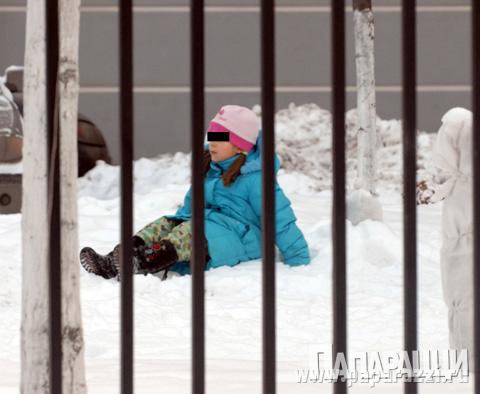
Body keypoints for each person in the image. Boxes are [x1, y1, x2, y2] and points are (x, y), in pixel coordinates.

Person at [80, 104, 311, 281]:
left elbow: (281, 221)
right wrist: (173, 224)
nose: (213, 143)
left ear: (241, 145)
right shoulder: (208, 170)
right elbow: (188, 210)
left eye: (221, 138)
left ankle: (140, 261)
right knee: (165, 224)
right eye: (212, 136)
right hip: (208, 234)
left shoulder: (257, 180)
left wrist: (299, 259)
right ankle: (113, 261)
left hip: (241, 240)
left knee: (190, 231)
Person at [431, 107, 473, 369]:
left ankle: (466, 357)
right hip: (461, 239)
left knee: (461, 297)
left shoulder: (458, 123)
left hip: (460, 245)